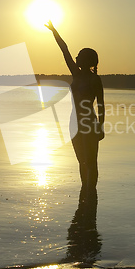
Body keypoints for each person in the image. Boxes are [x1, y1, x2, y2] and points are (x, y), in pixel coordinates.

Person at [45, 21, 105, 202]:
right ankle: (84, 195)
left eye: (79, 56)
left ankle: (91, 193)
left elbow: (101, 105)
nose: (76, 58)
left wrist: (100, 127)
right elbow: (65, 49)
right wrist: (54, 31)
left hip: (89, 124)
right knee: (81, 162)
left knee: (91, 162)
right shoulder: (76, 74)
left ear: (87, 61)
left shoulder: (95, 80)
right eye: (76, 56)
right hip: (74, 124)